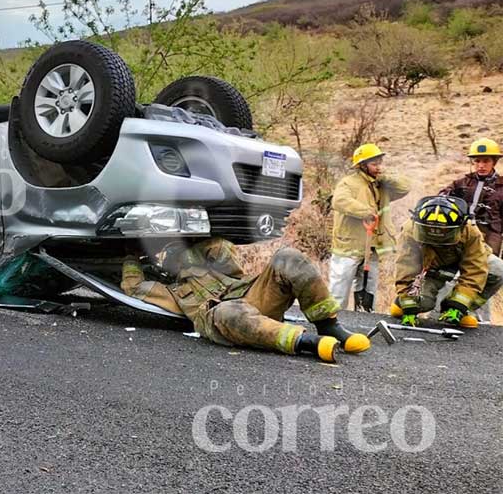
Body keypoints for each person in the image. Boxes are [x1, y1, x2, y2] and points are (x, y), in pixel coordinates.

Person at [121, 238, 371, 363]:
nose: (178, 258)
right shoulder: (171, 290)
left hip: (252, 296)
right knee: (228, 311)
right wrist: (132, 255)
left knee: (288, 257)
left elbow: (221, 245)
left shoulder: (217, 264)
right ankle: (307, 342)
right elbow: (133, 287)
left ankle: (328, 325)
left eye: (180, 253)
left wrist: (186, 247)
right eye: (172, 257)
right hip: (221, 316)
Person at [389, 195, 503, 329]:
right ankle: (401, 303)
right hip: (432, 267)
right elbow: (406, 266)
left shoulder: (470, 231)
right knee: (422, 303)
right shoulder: (411, 229)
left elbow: (475, 269)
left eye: (444, 232)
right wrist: (407, 301)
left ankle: (460, 310)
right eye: (430, 231)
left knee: (497, 269)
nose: (437, 237)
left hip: (461, 259)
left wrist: (459, 304)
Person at [329, 143, 411, 312]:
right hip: (349, 246)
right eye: (374, 164)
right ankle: (333, 321)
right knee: (339, 289)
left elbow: (405, 187)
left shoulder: (381, 184)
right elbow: (339, 201)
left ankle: (364, 317)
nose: (379, 167)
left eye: (380, 163)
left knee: (368, 287)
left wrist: (384, 177)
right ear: (362, 165)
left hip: (372, 245)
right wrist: (365, 212)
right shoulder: (348, 183)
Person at [439, 138, 503, 256]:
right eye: (477, 161)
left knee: (490, 265)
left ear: (494, 162)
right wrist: (445, 197)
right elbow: (443, 195)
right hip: (463, 229)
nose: (481, 166)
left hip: (491, 232)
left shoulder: (501, 186)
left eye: (486, 161)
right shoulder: (462, 182)